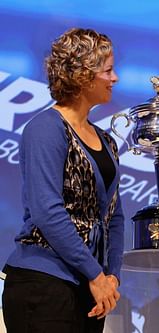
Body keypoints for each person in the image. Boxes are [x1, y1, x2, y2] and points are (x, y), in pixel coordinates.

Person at [1, 28, 123, 332]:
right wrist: (96, 276)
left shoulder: (108, 141)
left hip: (91, 291)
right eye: (108, 70)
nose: (115, 78)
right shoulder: (45, 128)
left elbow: (114, 216)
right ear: (83, 76)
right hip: (42, 286)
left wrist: (111, 278)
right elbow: (47, 211)